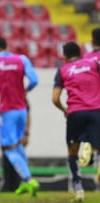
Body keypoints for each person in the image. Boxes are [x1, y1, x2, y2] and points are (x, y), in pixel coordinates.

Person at [0, 36, 39, 197]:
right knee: (19, 145)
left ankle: (29, 179)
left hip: (5, 110)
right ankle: (25, 183)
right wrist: (26, 90)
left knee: (9, 148)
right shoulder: (22, 59)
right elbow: (34, 79)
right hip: (21, 109)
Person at [52, 42, 100, 202]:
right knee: (98, 147)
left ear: (64, 57)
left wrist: (65, 110)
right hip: (95, 111)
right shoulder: (93, 63)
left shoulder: (63, 70)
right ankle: (97, 162)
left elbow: (55, 98)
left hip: (75, 113)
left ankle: (79, 190)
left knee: (72, 153)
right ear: (80, 54)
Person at [1, 99, 31, 192]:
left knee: (16, 155)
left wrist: (26, 133)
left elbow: (27, 115)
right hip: (8, 133)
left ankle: (25, 180)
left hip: (17, 136)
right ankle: (10, 185)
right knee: (7, 159)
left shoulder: (21, 98)